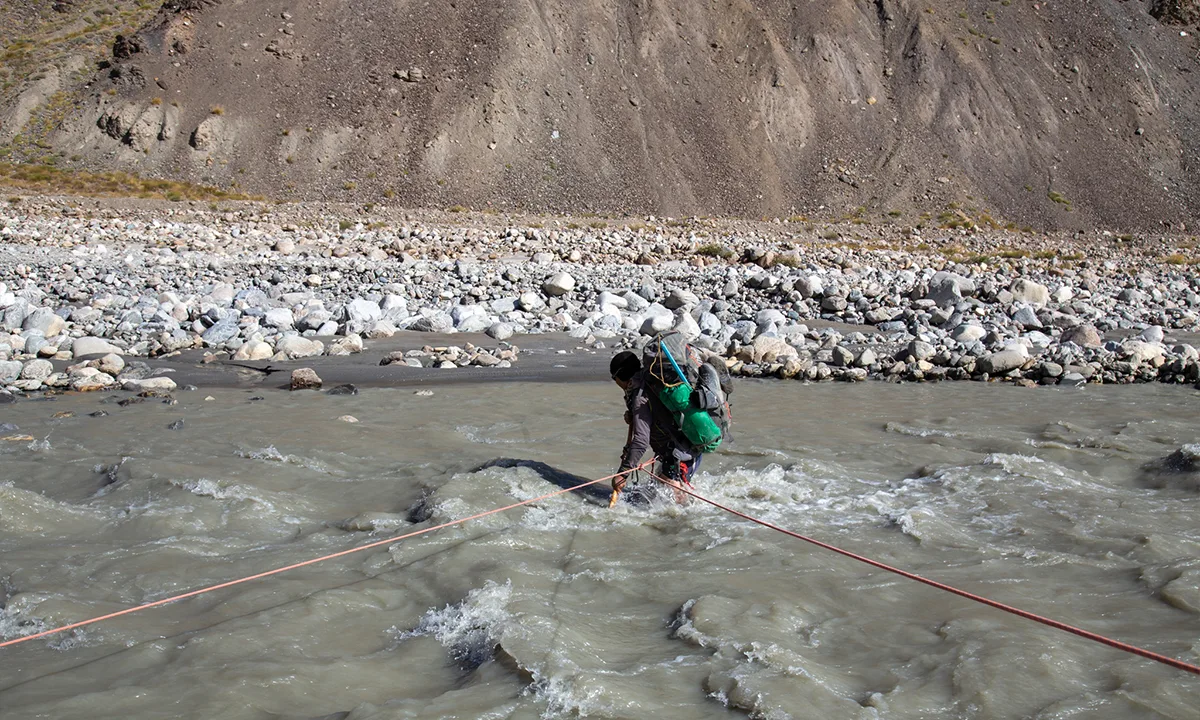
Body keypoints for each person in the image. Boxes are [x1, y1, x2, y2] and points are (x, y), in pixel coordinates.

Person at [609, 350, 700, 505]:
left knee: (677, 504)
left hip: (678, 454)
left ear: (620, 376)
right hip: (688, 449)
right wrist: (634, 416)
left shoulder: (639, 396)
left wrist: (623, 474)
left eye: (614, 378)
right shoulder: (649, 382)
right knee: (662, 495)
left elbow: (641, 442)